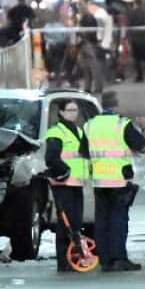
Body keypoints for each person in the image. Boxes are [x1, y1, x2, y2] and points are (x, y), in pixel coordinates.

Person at [85, 92, 145, 272]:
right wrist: (144, 129)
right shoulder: (122, 124)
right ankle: (119, 258)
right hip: (119, 180)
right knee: (118, 219)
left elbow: (84, 150)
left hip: (99, 180)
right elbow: (142, 147)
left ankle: (104, 260)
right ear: (117, 105)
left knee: (102, 220)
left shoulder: (90, 125)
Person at [44, 99, 91, 273]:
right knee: (65, 224)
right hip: (63, 183)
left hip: (76, 184)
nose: (74, 113)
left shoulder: (78, 131)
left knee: (75, 224)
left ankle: (74, 258)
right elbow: (52, 158)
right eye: (70, 110)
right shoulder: (56, 132)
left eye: (75, 110)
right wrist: (66, 171)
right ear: (61, 113)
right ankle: (64, 261)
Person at [127, 1, 145, 82]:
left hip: (135, 38)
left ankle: (139, 76)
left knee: (137, 59)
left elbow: (129, 26)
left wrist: (128, 38)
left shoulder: (132, 13)